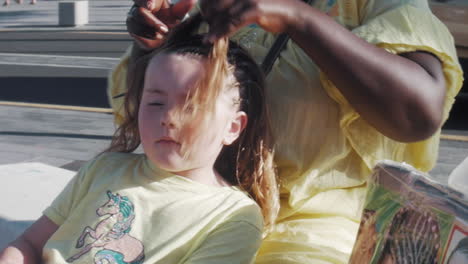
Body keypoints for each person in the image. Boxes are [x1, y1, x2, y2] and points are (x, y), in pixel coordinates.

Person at [111, 0, 464, 263]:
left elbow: (416, 114)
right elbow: (147, 116)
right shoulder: (212, 7)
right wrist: (155, 50)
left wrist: (298, 19)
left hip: (312, 230)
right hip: (197, 210)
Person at [0, 14, 279, 264]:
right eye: (156, 103)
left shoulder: (233, 217)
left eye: (192, 105)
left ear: (233, 127)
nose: (169, 117)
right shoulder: (103, 169)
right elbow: (29, 244)